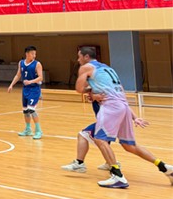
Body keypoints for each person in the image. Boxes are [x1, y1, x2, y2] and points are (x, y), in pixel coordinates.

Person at [68, 48, 173, 188]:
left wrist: (91, 92)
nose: (78, 60)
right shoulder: (108, 69)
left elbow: (79, 89)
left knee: (99, 139)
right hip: (122, 106)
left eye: (79, 57)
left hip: (110, 107)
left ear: (86, 57)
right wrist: (134, 117)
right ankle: (164, 167)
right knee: (130, 146)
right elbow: (121, 94)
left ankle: (117, 176)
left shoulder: (86, 67)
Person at [8, 46, 44, 139]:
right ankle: (28, 129)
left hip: (34, 89)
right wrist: (11, 85)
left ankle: (39, 131)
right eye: (32, 54)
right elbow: (18, 75)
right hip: (25, 89)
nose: (34, 56)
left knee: (31, 109)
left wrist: (30, 81)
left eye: (35, 54)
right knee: (25, 111)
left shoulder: (37, 64)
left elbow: (40, 77)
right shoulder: (21, 63)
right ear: (27, 54)